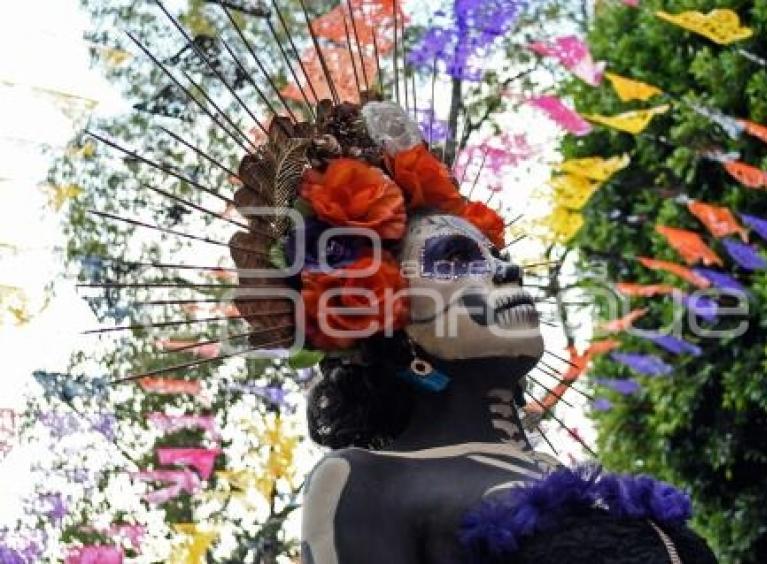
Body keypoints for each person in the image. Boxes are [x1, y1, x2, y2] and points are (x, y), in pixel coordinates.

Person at [228, 99, 716, 564]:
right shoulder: (368, 484)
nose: (508, 272)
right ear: (386, 312)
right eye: (455, 259)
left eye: (498, 256)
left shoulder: (573, 477)